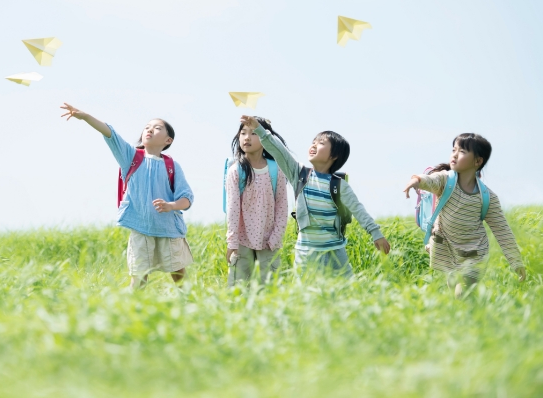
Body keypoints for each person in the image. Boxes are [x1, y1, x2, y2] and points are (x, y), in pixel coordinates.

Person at [60, 103, 194, 289]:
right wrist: (86, 117)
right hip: (140, 227)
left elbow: (187, 198)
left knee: (179, 275)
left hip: (169, 229)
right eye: (147, 127)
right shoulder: (131, 158)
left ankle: (190, 306)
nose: (150, 130)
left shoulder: (172, 166)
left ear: (168, 140)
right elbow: (110, 134)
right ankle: (128, 310)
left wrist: (171, 205)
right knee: (139, 277)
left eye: (157, 128)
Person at [240, 115, 390, 277]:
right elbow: (279, 152)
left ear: (334, 156)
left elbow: (358, 210)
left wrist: (376, 233)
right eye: (313, 141)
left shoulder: (339, 185)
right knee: (306, 295)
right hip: (306, 253)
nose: (314, 145)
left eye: (321, 143)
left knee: (346, 293)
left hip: (335, 253)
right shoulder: (299, 175)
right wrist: (259, 130)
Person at [403, 133, 525, 297]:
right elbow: (431, 180)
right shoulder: (445, 181)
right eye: (454, 149)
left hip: (474, 255)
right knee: (456, 295)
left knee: (461, 294)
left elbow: (502, 230)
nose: (454, 154)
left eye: (462, 151)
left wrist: (516, 262)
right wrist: (417, 181)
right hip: (448, 252)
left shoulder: (486, 197)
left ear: (477, 161)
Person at [225, 117, 289, 286]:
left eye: (253, 133)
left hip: (269, 241)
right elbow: (232, 209)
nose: (247, 137)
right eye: (243, 133)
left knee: (269, 290)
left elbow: (282, 207)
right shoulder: (236, 170)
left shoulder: (276, 169)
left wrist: (276, 237)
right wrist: (232, 242)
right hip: (241, 241)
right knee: (238, 289)